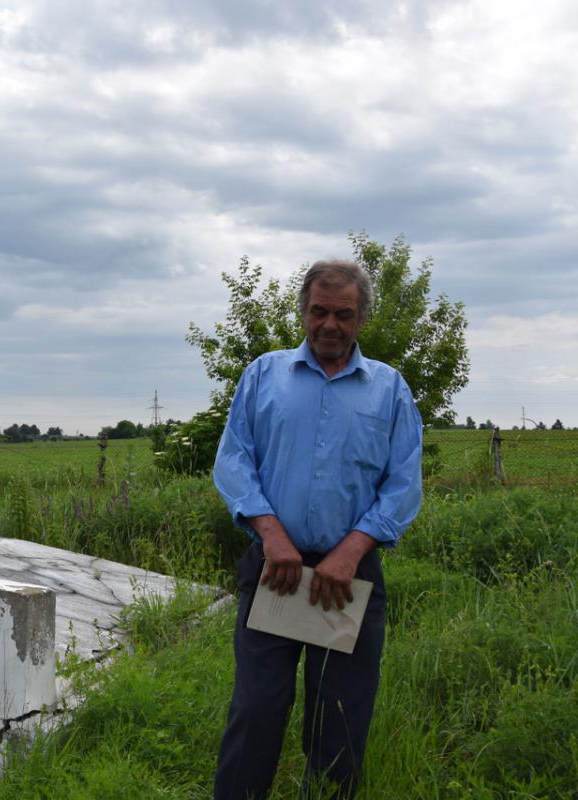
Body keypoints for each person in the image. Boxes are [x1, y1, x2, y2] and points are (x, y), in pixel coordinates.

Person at [211, 259, 422, 799]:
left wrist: (352, 549)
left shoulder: (390, 390)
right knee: (256, 713)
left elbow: (403, 484)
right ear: (303, 312)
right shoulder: (264, 374)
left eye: (343, 314)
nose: (330, 323)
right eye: (319, 311)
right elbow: (234, 460)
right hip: (274, 570)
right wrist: (271, 532)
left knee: (341, 723)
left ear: (361, 319)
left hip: (347, 578)